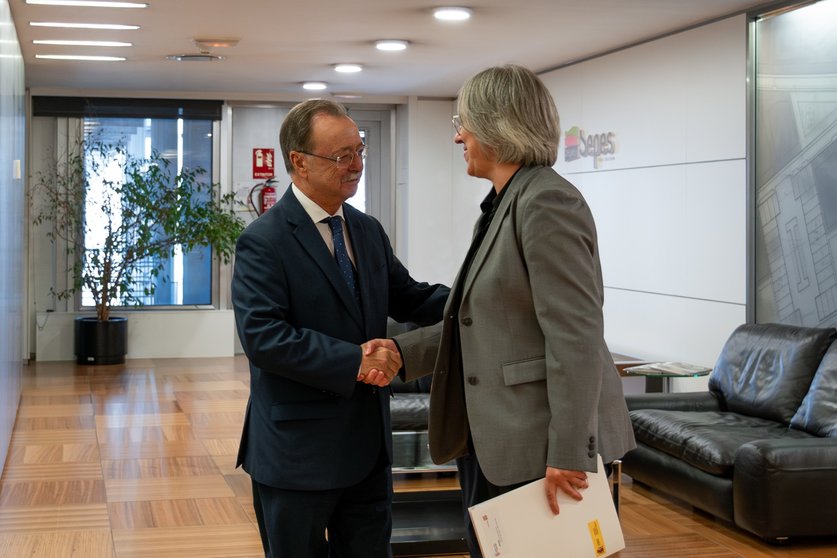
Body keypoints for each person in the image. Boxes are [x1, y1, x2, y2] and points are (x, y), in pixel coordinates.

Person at [377, 65, 637, 557]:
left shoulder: (547, 201)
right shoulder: (504, 201)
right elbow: (481, 321)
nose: (459, 136)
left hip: (540, 452)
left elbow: (575, 339)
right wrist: (399, 352)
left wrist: (567, 454)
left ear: (498, 126)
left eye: (464, 122)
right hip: (500, 441)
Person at [231, 98, 449, 558]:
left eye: (359, 150)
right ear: (299, 162)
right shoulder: (263, 240)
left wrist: (476, 300)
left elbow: (409, 296)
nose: (356, 165)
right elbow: (265, 338)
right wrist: (357, 360)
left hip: (367, 450)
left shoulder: (366, 230)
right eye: (340, 156)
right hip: (297, 458)